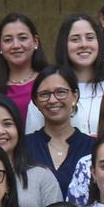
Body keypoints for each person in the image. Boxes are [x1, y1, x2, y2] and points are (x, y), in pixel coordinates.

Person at [23, 65, 94, 199]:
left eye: (61, 92)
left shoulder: (93, 147)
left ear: (75, 96)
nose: (53, 100)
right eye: (44, 94)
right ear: (36, 101)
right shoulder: (23, 146)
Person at [53, 13, 104, 135]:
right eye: (75, 39)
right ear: (64, 44)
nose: (84, 44)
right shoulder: (49, 91)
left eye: (90, 38)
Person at [0, 13, 46, 113]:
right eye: (8, 40)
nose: (16, 45)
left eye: (22, 38)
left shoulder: (50, 81)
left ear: (35, 42)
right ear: (0, 46)